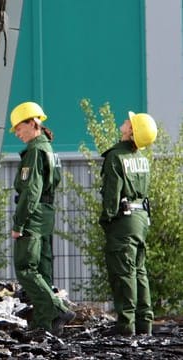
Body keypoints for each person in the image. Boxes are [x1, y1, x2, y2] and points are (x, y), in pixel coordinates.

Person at [9, 101, 75, 336]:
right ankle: (45, 325)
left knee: (26, 268)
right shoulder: (49, 149)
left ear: (32, 123)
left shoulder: (35, 151)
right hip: (46, 214)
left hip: (34, 215)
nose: (17, 133)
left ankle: (58, 309)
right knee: (43, 270)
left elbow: (31, 191)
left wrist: (19, 224)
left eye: (19, 128)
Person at [99, 111, 157, 336]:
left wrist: (107, 220)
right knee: (139, 271)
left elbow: (111, 196)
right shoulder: (140, 157)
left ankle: (125, 325)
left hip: (123, 221)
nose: (124, 122)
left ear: (131, 131)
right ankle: (145, 324)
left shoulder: (116, 157)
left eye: (128, 122)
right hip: (141, 218)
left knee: (123, 272)